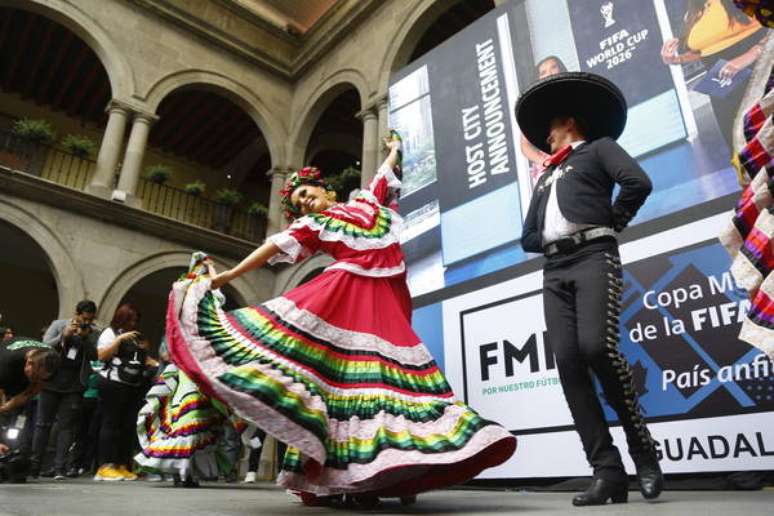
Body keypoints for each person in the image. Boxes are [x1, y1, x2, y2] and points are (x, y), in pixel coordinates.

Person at [164, 133, 516, 506]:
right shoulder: (313, 226)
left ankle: (383, 476)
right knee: (346, 384)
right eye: (299, 201)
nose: (304, 200)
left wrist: (394, 147)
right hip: (345, 297)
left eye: (308, 192)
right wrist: (226, 277)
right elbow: (271, 247)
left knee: (385, 384)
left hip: (386, 303)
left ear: (327, 190)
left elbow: (384, 173)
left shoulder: (365, 202)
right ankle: (349, 482)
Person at [516, 72, 662, 506]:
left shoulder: (599, 149)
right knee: (569, 364)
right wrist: (548, 233)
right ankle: (607, 473)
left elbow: (638, 183)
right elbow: (527, 235)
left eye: (552, 128)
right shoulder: (545, 176)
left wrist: (610, 222)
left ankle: (645, 455)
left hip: (594, 256)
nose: (546, 136)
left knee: (597, 348)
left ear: (570, 123)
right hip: (555, 269)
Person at [661, 0, 767, 148]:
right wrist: (678, 59)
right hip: (723, 88)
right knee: (742, 148)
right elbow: (704, 50)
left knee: (767, 137)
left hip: (762, 73)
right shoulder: (694, 12)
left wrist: (750, 55)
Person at [30, 300, 99, 479]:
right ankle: (35, 465)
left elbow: (95, 356)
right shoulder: (58, 325)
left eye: (90, 320)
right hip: (50, 382)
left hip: (74, 386)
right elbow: (43, 346)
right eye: (84, 318)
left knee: (66, 428)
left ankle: (59, 468)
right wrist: (64, 336)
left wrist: (85, 338)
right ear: (76, 314)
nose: (86, 322)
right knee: (43, 424)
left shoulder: (93, 332)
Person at [94, 304, 157, 481]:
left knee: (127, 426)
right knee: (111, 424)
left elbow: (144, 360)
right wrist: (120, 339)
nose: (133, 323)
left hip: (132, 386)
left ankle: (122, 465)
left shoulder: (136, 338)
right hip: (112, 383)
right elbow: (101, 356)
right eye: (130, 319)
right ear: (121, 318)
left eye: (136, 320)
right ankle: (105, 466)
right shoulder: (110, 333)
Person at [520, 55, 569, 186]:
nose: (549, 73)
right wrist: (544, 162)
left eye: (553, 67)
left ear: (561, 69)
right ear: (538, 78)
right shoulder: (532, 105)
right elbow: (525, 145)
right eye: (543, 72)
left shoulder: (574, 92)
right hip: (549, 168)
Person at [0, 339, 59, 416]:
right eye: (35, 376)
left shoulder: (53, 360)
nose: (37, 380)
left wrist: (6, 407)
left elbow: (31, 392)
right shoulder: (5, 365)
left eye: (42, 378)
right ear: (29, 363)